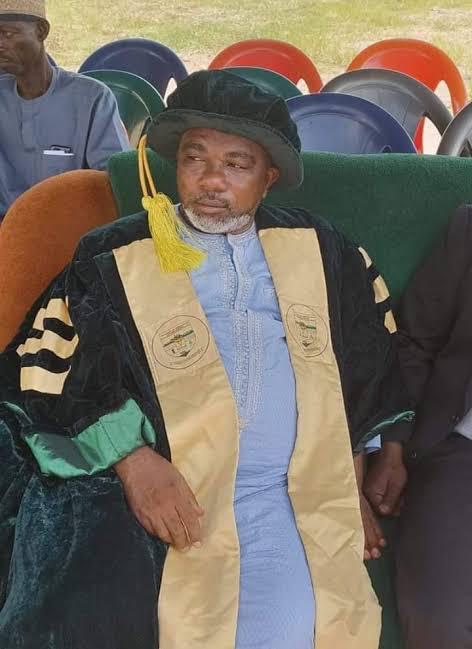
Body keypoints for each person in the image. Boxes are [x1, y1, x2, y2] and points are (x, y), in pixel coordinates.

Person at [0, 70, 412, 649]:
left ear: (269, 177)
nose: (212, 180)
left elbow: (371, 353)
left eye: (237, 164)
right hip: (164, 483)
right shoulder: (112, 254)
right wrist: (134, 463)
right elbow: (50, 367)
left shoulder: (324, 249)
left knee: (296, 632)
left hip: (285, 490)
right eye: (195, 158)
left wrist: (352, 477)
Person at [377, 204, 472, 649]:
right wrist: (393, 444)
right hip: (460, 454)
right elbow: (414, 339)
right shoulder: (469, 228)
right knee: (441, 621)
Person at [0, 0, 129, 219]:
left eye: (8, 34)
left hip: (68, 227)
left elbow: (115, 183)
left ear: (41, 31)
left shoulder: (92, 99)